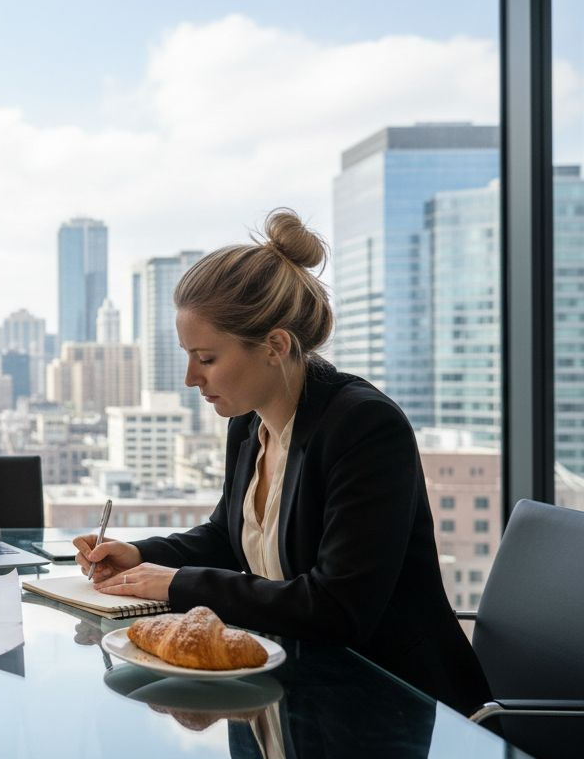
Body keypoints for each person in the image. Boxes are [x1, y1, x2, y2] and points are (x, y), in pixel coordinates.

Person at [75, 209, 491, 714]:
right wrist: (141, 554)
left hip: (387, 701)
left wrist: (177, 582)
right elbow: (229, 538)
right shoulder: (249, 422)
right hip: (283, 688)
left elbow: (337, 608)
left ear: (275, 346)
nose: (190, 378)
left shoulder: (364, 427)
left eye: (206, 359)